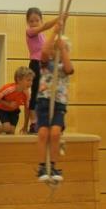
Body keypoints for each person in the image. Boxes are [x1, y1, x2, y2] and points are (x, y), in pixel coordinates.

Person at [36, 23, 74, 182]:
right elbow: (44, 51)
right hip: (44, 101)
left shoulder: (65, 67)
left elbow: (69, 67)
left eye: (58, 48)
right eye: (55, 48)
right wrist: (54, 33)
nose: (55, 50)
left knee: (56, 134)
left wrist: (63, 47)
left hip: (59, 103)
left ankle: (53, 165)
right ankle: (42, 166)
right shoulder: (46, 65)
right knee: (44, 134)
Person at [25, 7, 59, 133]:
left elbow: (47, 48)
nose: (34, 23)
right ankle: (33, 123)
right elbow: (45, 26)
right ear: (28, 22)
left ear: (40, 19)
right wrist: (58, 19)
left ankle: (43, 120)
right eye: (31, 21)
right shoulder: (30, 31)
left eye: (36, 20)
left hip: (45, 65)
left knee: (44, 94)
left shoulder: (42, 36)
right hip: (35, 64)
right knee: (35, 93)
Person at [0, 66, 34, 134]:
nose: (31, 83)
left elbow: (27, 110)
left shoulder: (27, 94)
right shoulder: (9, 89)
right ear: (18, 80)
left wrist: (25, 126)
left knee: (11, 131)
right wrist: (8, 104)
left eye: (31, 80)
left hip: (14, 111)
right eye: (28, 80)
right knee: (7, 127)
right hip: (2, 110)